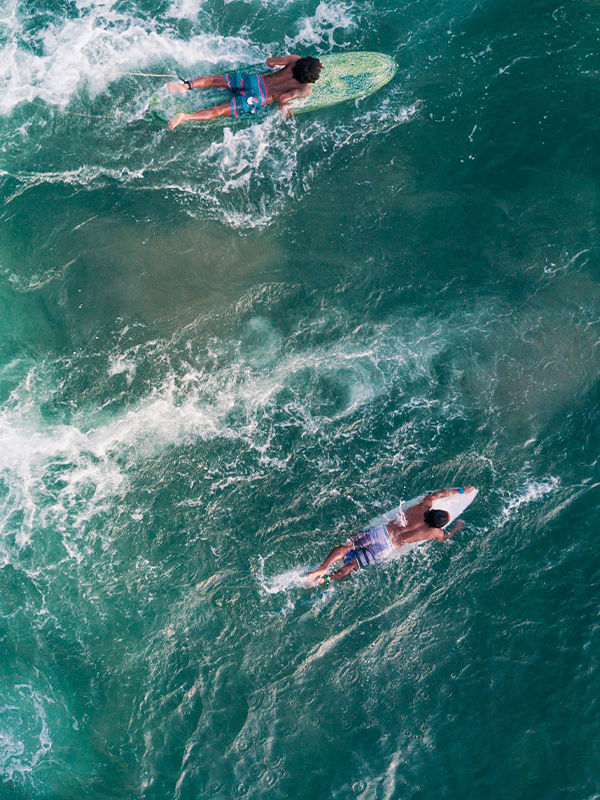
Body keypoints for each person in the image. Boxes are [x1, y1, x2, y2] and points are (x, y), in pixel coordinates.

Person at [305, 486, 476, 585]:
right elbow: (445, 537)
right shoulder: (435, 532)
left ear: (433, 511)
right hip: (387, 548)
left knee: (347, 546)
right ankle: (327, 578)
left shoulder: (422, 507)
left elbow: (437, 494)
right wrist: (456, 528)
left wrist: (461, 490)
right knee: (353, 566)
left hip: (382, 532)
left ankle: (324, 566)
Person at [166, 55, 323, 129]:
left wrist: (277, 68)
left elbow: (270, 62)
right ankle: (185, 117)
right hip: (258, 98)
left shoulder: (294, 60)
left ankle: (185, 86)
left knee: (212, 80)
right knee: (218, 111)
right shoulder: (305, 89)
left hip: (255, 81)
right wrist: (284, 107)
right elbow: (283, 97)